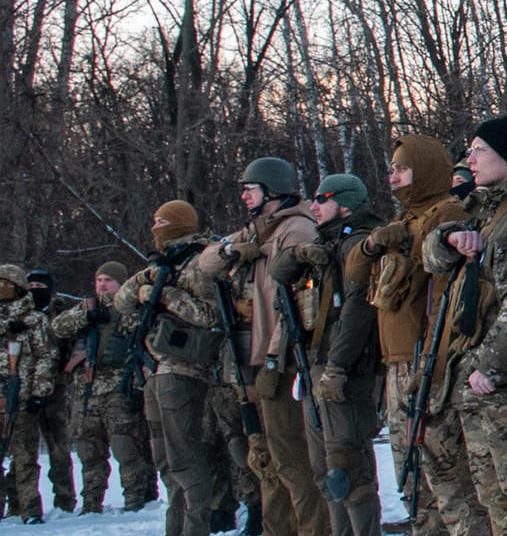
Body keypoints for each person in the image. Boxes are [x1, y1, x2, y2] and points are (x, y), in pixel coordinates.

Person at [421, 116, 507, 535]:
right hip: (474, 368)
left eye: (479, 150)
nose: (470, 159)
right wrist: (449, 238)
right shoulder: (481, 206)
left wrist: (493, 365)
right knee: (490, 491)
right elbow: (430, 255)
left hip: (505, 370)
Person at [346, 136, 484, 536]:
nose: (393, 177)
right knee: (413, 480)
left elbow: (446, 293)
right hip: (398, 360)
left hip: (428, 359)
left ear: (422, 169)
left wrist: (435, 359)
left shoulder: (446, 212)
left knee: (446, 476)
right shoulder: (404, 220)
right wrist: (373, 244)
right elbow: (355, 274)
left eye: (401, 169)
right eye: (391, 169)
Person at [202, 158, 327, 536]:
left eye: (250, 188)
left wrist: (275, 361)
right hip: (257, 361)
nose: (243, 195)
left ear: (272, 191)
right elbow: (205, 265)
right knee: (267, 462)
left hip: (284, 362)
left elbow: (292, 304)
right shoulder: (257, 232)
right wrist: (232, 251)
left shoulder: (296, 230)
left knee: (294, 461)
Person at [267, 174, 382, 536]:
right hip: (317, 367)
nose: (314, 206)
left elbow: (356, 312)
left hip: (344, 370)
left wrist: (337, 367)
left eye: (322, 198)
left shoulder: (357, 246)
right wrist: (301, 252)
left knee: (347, 467)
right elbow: (277, 270)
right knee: (324, 470)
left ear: (345, 203)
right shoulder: (327, 244)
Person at [116, 201, 223, 536]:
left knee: (185, 460)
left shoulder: (200, 263)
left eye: (161, 222)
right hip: (155, 372)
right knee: (166, 463)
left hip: (185, 371)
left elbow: (211, 316)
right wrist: (147, 285)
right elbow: (121, 300)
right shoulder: (163, 264)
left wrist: (165, 297)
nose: (154, 229)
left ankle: (196, 529)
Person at [50, 261, 158, 515]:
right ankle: (91, 505)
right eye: (99, 280)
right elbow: (58, 327)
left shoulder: (131, 307)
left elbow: (143, 331)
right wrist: (86, 315)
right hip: (87, 391)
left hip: (119, 389)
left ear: (121, 283)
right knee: (89, 451)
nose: (102, 285)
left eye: (108, 280)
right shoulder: (87, 308)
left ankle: (136, 502)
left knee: (126, 447)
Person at [0, 263, 55, 524]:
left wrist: (38, 393)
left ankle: (29, 509)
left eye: (6, 283)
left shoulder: (34, 320)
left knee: (24, 457)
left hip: (21, 395)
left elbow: (46, 358)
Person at [24, 269, 77, 517]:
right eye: (31, 284)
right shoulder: (19, 315)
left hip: (56, 388)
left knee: (59, 448)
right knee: (24, 449)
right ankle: (20, 503)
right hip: (25, 389)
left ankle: (65, 501)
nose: (35, 289)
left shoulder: (60, 314)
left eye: (40, 285)